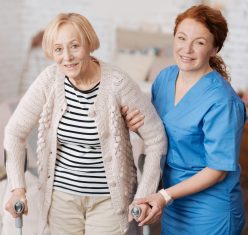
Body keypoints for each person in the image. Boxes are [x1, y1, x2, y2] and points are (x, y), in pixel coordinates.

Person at [4, 13, 167, 235]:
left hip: (108, 202)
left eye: (74, 46)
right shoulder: (49, 80)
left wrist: (144, 195)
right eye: (58, 49)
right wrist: (17, 187)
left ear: (89, 44)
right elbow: (14, 131)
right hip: (60, 200)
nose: (67, 57)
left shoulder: (118, 83)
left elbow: (156, 137)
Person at [124, 4, 246, 235]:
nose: (186, 49)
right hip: (173, 204)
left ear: (214, 49)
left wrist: (164, 195)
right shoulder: (165, 78)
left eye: (199, 42)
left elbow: (217, 169)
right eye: (181, 38)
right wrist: (137, 127)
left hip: (210, 209)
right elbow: (162, 133)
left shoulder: (223, 101)